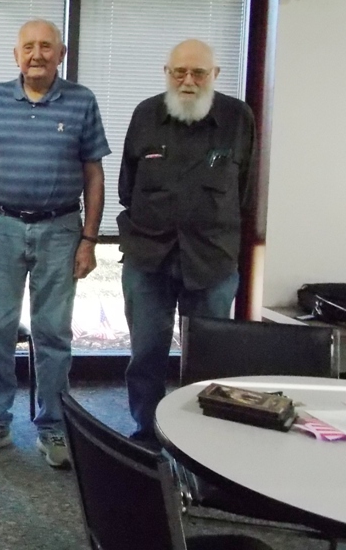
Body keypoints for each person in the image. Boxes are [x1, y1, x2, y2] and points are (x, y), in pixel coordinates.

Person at [0, 19, 109, 469]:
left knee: (53, 333)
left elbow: (94, 174)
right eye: (28, 47)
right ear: (16, 55)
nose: (37, 55)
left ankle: (53, 426)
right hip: (2, 227)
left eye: (46, 46)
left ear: (61, 54)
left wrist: (89, 239)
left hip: (61, 229)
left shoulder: (82, 101)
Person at [119, 38, 255, 446]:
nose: (188, 80)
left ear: (215, 75)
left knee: (209, 359)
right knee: (146, 354)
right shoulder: (145, 114)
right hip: (149, 256)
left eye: (198, 72)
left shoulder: (238, 118)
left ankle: (200, 441)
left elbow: (246, 190)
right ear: (167, 73)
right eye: (179, 72)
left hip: (212, 259)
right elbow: (128, 186)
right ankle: (147, 433)